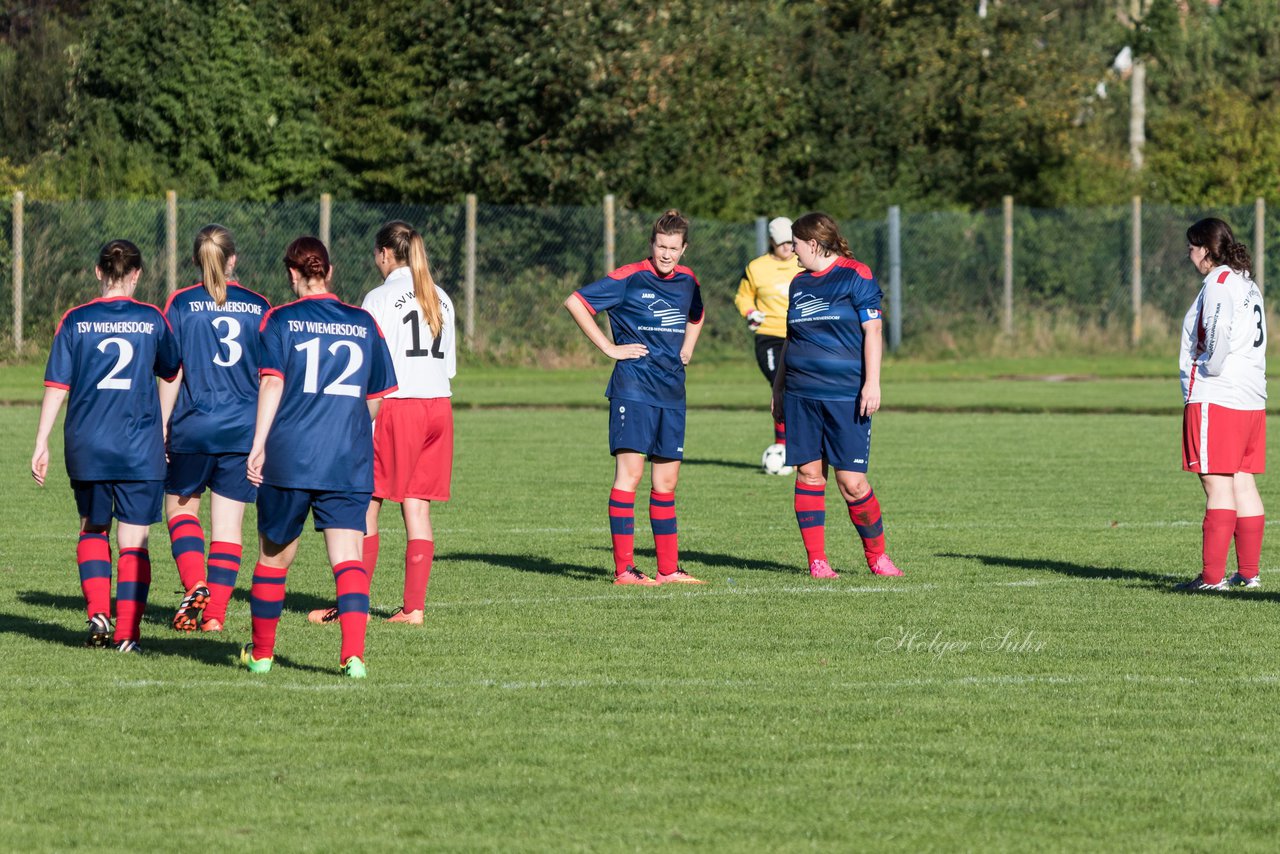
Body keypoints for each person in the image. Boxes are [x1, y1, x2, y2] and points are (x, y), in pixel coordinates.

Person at [242, 237, 397, 679]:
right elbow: (376, 399)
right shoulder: (364, 323)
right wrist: (346, 426)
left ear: (293, 274)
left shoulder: (280, 319)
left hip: (291, 456)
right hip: (346, 457)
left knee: (274, 557)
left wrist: (258, 444)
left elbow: (271, 385)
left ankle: (263, 655)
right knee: (347, 558)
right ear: (328, 271)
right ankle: (353, 658)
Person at [31, 240, 181, 652]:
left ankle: (99, 612)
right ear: (137, 275)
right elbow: (172, 370)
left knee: (93, 527)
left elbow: (57, 383)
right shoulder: (152, 318)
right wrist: (163, 424)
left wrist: (41, 440)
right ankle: (128, 634)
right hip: (138, 447)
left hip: (88, 445)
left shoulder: (75, 320)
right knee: (134, 541)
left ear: (98, 272)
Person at [307, 221, 456, 626]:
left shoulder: (380, 297)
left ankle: (354, 607)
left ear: (386, 254)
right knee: (417, 508)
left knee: (365, 504)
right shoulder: (441, 297)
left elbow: (364, 368)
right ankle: (414, 609)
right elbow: (450, 367)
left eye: (377, 254)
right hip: (439, 407)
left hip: (398, 407)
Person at [564, 209, 706, 586]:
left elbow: (697, 315)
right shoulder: (628, 277)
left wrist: (688, 349)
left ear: (684, 249)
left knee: (667, 482)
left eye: (674, 248)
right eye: (661, 246)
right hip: (634, 388)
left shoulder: (689, 280)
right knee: (631, 474)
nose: (666, 255)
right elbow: (576, 302)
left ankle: (668, 569)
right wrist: (609, 348)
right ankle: (625, 570)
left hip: (672, 391)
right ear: (651, 244)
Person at [771, 212, 901, 579]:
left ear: (813, 243)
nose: (792, 252)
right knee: (809, 476)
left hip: (846, 395)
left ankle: (877, 556)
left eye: (795, 244)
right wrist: (779, 388)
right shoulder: (798, 283)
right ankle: (817, 562)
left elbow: (873, 331)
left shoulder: (855, 274)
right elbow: (789, 340)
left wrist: (872, 383)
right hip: (800, 395)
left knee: (852, 482)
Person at [159, 225, 270, 633]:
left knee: (180, 508)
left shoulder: (182, 303)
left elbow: (173, 372)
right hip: (242, 429)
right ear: (233, 260)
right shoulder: (260, 306)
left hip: (194, 426)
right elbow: (269, 376)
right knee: (229, 527)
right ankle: (216, 617)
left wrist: (162, 425)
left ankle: (196, 584)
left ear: (195, 261)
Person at [1176, 217, 1267, 592]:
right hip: (1250, 398)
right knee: (1242, 482)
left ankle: (1212, 579)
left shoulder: (1219, 283)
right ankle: (1248, 573)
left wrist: (1207, 368)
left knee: (1216, 483)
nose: (1189, 253)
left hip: (1219, 395)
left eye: (1192, 246)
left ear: (1207, 249)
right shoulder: (1246, 282)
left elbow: (1217, 332)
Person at [735, 216, 801, 467]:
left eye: (790, 242)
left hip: (798, 335)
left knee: (799, 389)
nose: (787, 247)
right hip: (770, 337)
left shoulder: (802, 262)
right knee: (780, 386)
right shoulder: (756, 267)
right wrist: (750, 312)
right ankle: (783, 449)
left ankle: (800, 448)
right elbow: (743, 297)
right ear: (771, 241)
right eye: (782, 242)